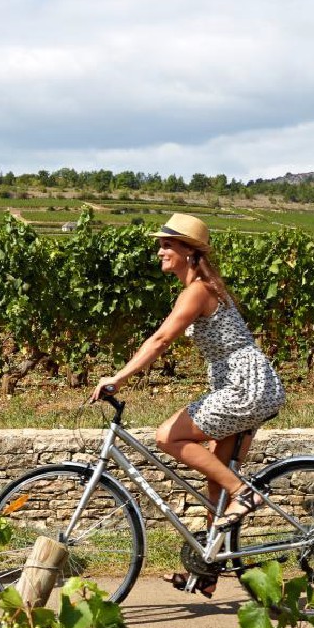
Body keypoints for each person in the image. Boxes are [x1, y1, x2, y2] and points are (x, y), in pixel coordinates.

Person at [92, 213, 285, 542]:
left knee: (168, 436)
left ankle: (245, 494)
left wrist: (118, 378)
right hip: (243, 383)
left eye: (167, 245)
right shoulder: (198, 289)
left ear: (190, 252)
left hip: (246, 386)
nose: (159, 252)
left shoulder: (198, 290)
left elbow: (160, 340)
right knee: (216, 481)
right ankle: (208, 566)